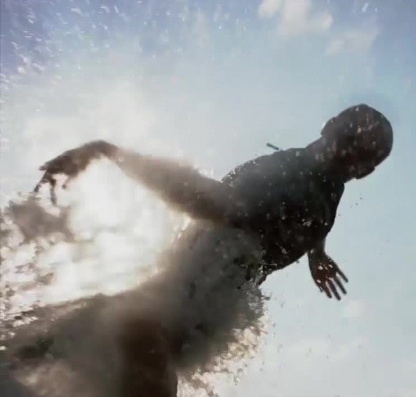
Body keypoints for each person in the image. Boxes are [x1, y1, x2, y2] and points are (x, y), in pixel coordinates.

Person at [18, 104, 393, 396]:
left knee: (140, 337)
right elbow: (307, 221)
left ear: (365, 171)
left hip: (203, 303)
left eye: (361, 154)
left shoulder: (302, 183)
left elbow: (210, 201)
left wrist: (110, 153)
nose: (348, 154)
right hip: (193, 290)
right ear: (330, 125)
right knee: (70, 328)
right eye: (349, 139)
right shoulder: (319, 190)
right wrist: (318, 253)